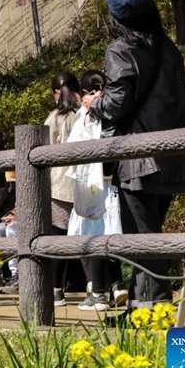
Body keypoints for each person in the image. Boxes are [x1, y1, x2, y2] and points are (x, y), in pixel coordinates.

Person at [83, 0, 185, 312]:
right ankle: (140, 308)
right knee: (149, 234)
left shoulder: (122, 49)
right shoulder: (169, 49)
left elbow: (118, 104)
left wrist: (93, 105)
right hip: (173, 154)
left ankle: (155, 310)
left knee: (142, 239)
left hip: (139, 158)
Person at [73, 70, 127, 311]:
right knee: (111, 235)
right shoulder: (117, 107)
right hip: (117, 180)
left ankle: (97, 294)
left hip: (93, 182)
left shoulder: (87, 112)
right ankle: (118, 286)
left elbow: (73, 147)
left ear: (85, 92)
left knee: (91, 236)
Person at [44, 72, 81, 307]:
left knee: (58, 237)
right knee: (85, 236)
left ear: (56, 93)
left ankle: (57, 289)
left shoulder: (54, 117)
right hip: (86, 184)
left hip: (59, 184)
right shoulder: (85, 114)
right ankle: (93, 287)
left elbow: (45, 149)